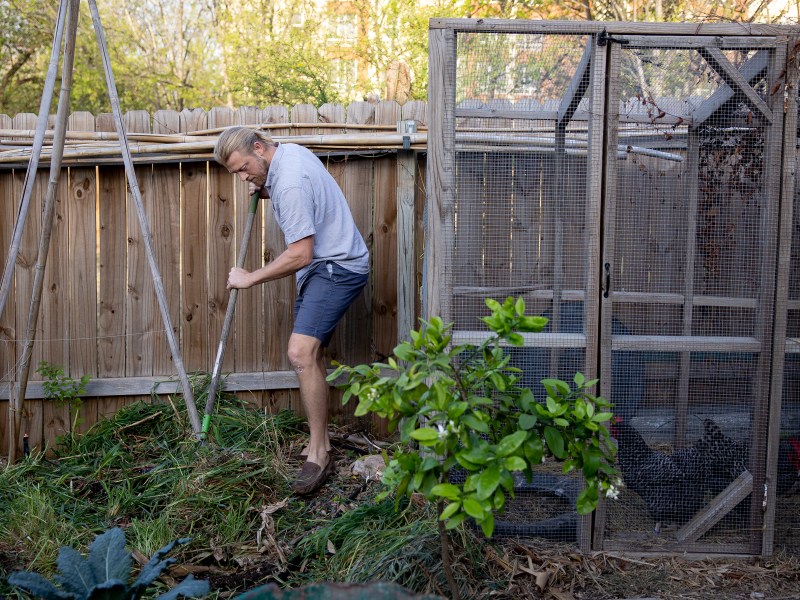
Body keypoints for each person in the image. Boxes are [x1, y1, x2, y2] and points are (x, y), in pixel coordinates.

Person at [213, 127, 370, 494]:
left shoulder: (290, 183)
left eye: (243, 168)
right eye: (237, 172)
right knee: (310, 354)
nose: (243, 178)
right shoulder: (288, 156)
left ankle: (319, 452)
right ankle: (323, 441)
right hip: (324, 268)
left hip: (336, 268)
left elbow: (301, 254)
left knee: (300, 353)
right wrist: (264, 188)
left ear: (258, 148)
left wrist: (249, 278)